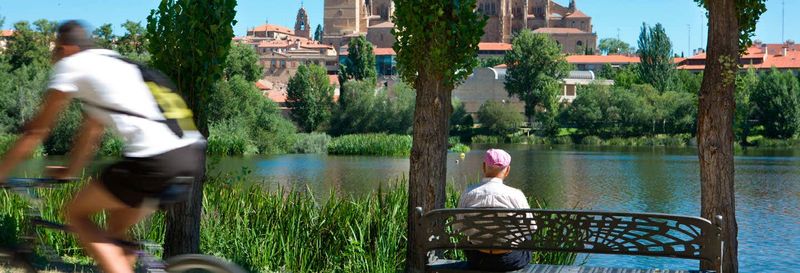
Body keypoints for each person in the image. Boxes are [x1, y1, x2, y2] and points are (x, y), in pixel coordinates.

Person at [0, 21, 204, 273]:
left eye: (55, 51)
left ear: (66, 47)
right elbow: (91, 133)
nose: (54, 58)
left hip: (154, 157)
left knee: (75, 213)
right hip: (190, 154)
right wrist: (69, 172)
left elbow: (36, 132)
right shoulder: (114, 63)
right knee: (116, 232)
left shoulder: (71, 64)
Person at [457, 149, 531, 271]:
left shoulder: (468, 193)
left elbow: (459, 226)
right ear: (507, 170)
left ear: (484, 167)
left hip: (477, 259)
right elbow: (530, 228)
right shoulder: (516, 195)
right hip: (511, 260)